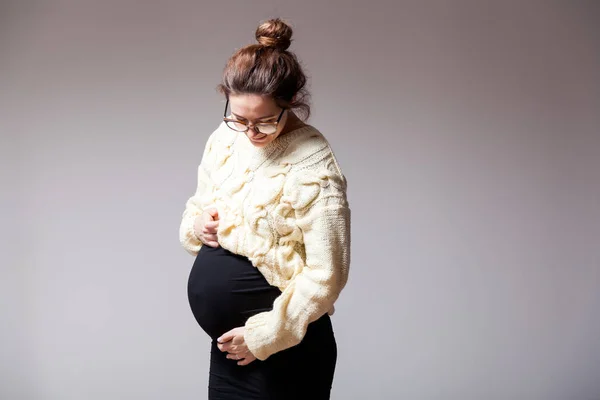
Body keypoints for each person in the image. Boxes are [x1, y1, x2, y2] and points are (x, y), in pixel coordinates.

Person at [179, 18, 351, 400]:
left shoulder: (314, 166)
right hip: (231, 350)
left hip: (284, 348)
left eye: (265, 121)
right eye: (240, 118)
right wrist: (198, 226)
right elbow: (195, 210)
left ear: (290, 105)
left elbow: (328, 274)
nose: (251, 132)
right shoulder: (225, 138)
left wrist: (263, 337)